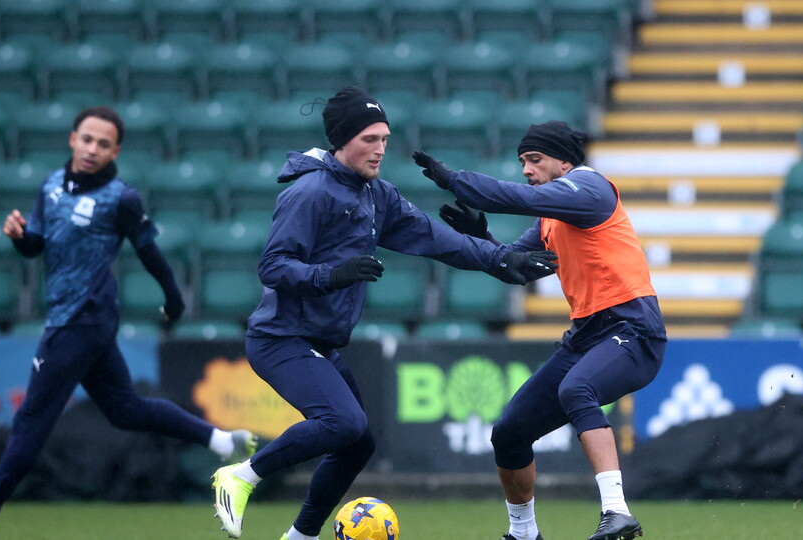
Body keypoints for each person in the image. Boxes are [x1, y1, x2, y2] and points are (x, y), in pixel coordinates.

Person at [210, 86, 558, 540]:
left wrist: (500, 258)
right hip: (282, 339)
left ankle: (301, 537)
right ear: (341, 141)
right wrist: (330, 276)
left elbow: (438, 239)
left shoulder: (377, 195)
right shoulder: (311, 192)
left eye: (384, 139)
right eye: (369, 139)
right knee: (344, 423)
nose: (379, 150)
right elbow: (273, 266)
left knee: (357, 445)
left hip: (319, 343)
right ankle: (241, 476)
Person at [0, 106, 258, 540]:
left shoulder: (120, 198)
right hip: (75, 319)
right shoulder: (51, 186)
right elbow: (38, 246)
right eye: (87, 139)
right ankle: (222, 440)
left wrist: (173, 299)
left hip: (82, 321)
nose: (92, 148)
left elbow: (149, 252)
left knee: (30, 422)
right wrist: (21, 237)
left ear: (115, 150)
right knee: (126, 409)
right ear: (72, 139)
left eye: (103, 143)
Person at [412, 120, 666, 540]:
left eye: (535, 159)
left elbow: (518, 197)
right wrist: (486, 240)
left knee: (575, 389)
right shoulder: (554, 215)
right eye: (523, 162)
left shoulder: (592, 189)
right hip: (587, 335)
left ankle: (617, 512)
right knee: (509, 434)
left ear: (565, 162)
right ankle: (524, 534)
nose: (527, 169)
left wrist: (456, 181)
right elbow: (516, 267)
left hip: (633, 328)